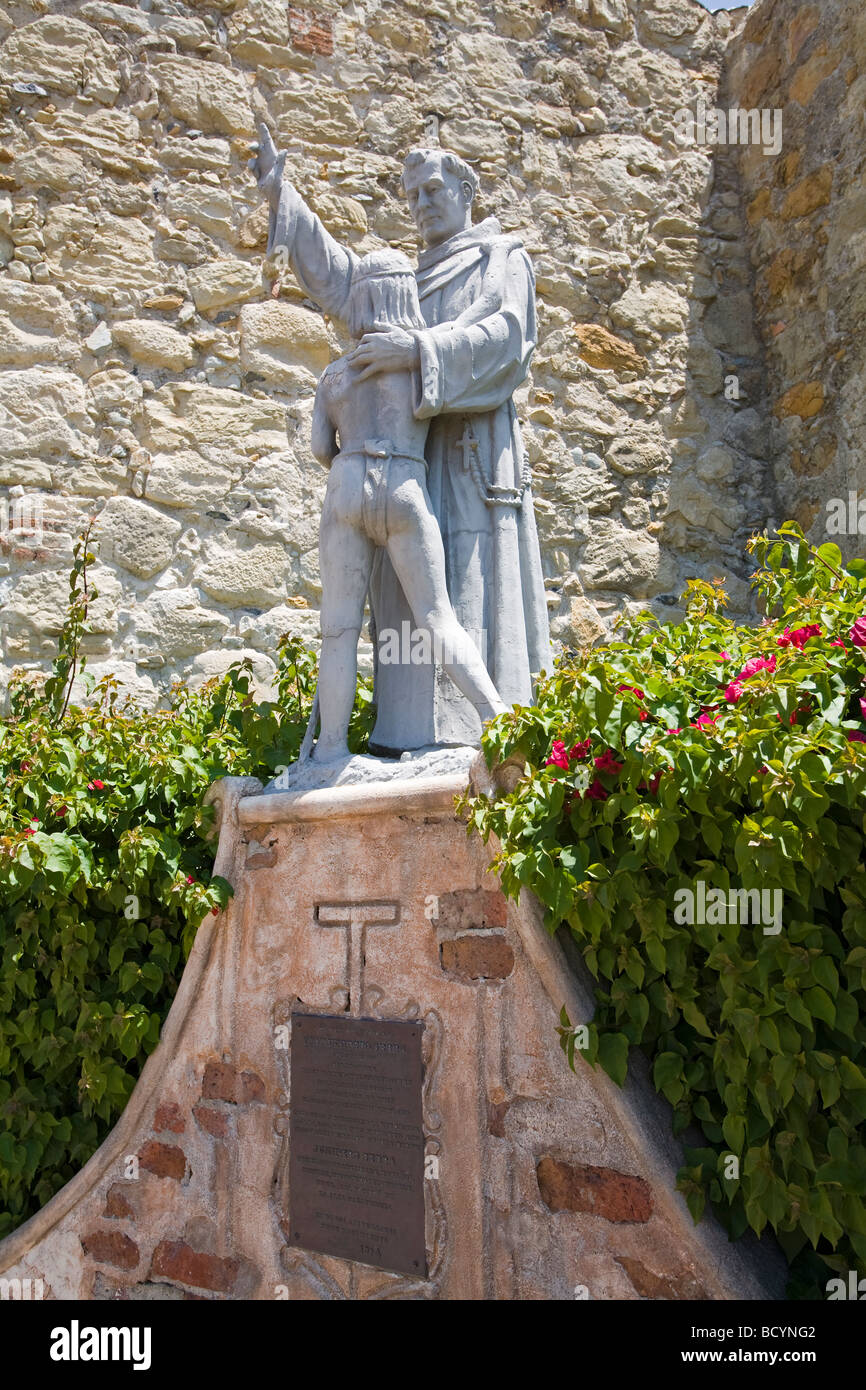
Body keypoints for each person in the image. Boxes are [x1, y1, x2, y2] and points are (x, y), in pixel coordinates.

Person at [250, 128, 552, 754]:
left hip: (468, 457)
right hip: (408, 461)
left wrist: (415, 351)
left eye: (434, 190)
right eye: (412, 195)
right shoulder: (404, 279)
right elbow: (339, 283)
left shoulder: (500, 261)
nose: (421, 205)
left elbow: (508, 342)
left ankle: (489, 740)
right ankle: (408, 740)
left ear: (468, 192)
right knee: (414, 614)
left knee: (462, 600)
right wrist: (286, 196)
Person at [309, 247, 507, 762]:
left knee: (339, 630)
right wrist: (500, 256)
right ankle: (499, 720)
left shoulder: (333, 376)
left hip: (347, 481)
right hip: (402, 482)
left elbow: (318, 450)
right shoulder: (415, 363)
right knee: (438, 618)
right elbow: (472, 322)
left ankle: (330, 750)